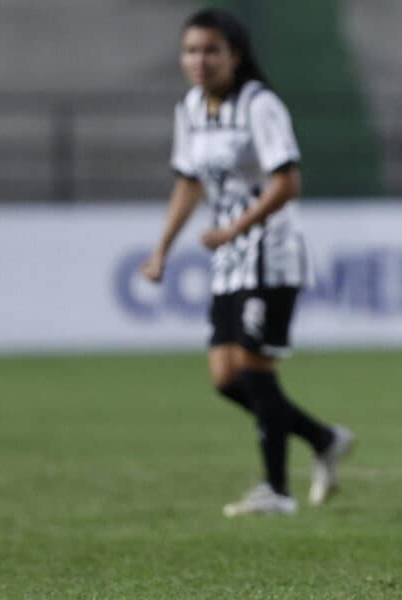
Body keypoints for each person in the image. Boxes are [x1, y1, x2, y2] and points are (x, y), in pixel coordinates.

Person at [141, 8, 353, 517]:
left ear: (235, 55)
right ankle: (322, 437)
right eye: (192, 50)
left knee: (256, 371)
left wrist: (234, 228)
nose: (200, 60)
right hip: (229, 258)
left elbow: (288, 182)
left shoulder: (260, 105)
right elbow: (189, 182)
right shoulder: (191, 108)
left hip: (271, 256)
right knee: (224, 377)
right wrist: (162, 249)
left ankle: (277, 491)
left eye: (212, 50)